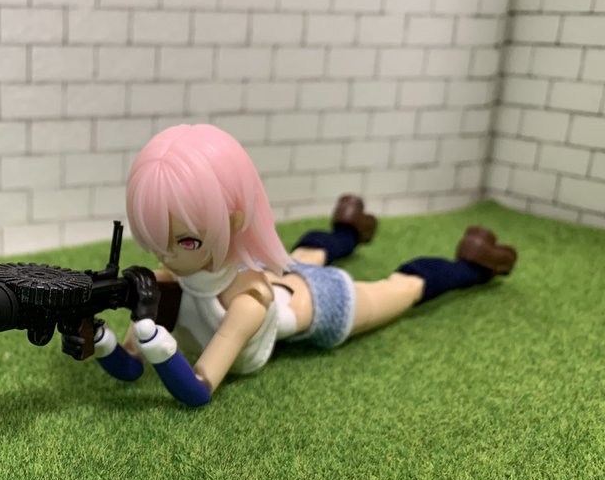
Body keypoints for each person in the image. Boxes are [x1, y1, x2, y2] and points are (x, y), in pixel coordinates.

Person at [91, 123, 517, 406]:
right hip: (276, 272)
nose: (167, 255)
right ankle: (349, 231)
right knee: (301, 254)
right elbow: (130, 367)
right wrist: (99, 338)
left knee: (401, 288)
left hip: (321, 304)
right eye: (155, 238)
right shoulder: (168, 278)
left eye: (185, 241)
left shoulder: (246, 304)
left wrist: (157, 342)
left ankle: (474, 265)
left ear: (233, 221)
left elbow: (199, 387)